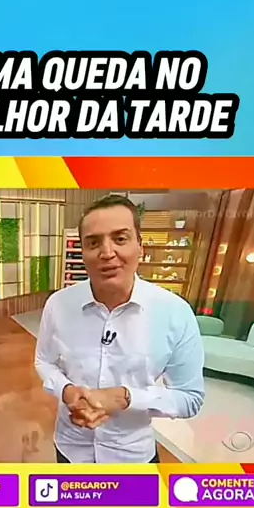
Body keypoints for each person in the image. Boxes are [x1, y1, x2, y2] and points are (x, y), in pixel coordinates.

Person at [35, 195, 205, 463]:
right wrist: (66, 390)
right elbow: (44, 361)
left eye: (120, 239)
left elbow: (190, 397)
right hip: (71, 449)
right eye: (93, 243)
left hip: (133, 457)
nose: (107, 253)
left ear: (141, 246)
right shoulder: (58, 305)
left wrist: (127, 398)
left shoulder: (174, 312)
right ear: (83, 252)